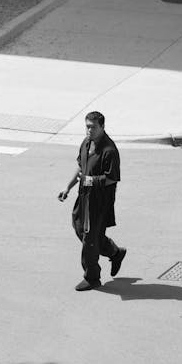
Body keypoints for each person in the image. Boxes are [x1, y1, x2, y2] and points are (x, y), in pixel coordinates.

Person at [58, 111, 126, 291]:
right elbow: (81, 167)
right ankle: (115, 252)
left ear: (102, 126)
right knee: (79, 228)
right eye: (87, 126)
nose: (89, 130)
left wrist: (92, 181)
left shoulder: (109, 150)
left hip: (99, 202)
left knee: (89, 239)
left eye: (93, 127)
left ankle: (92, 277)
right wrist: (67, 187)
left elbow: (112, 178)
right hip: (84, 197)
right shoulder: (86, 143)